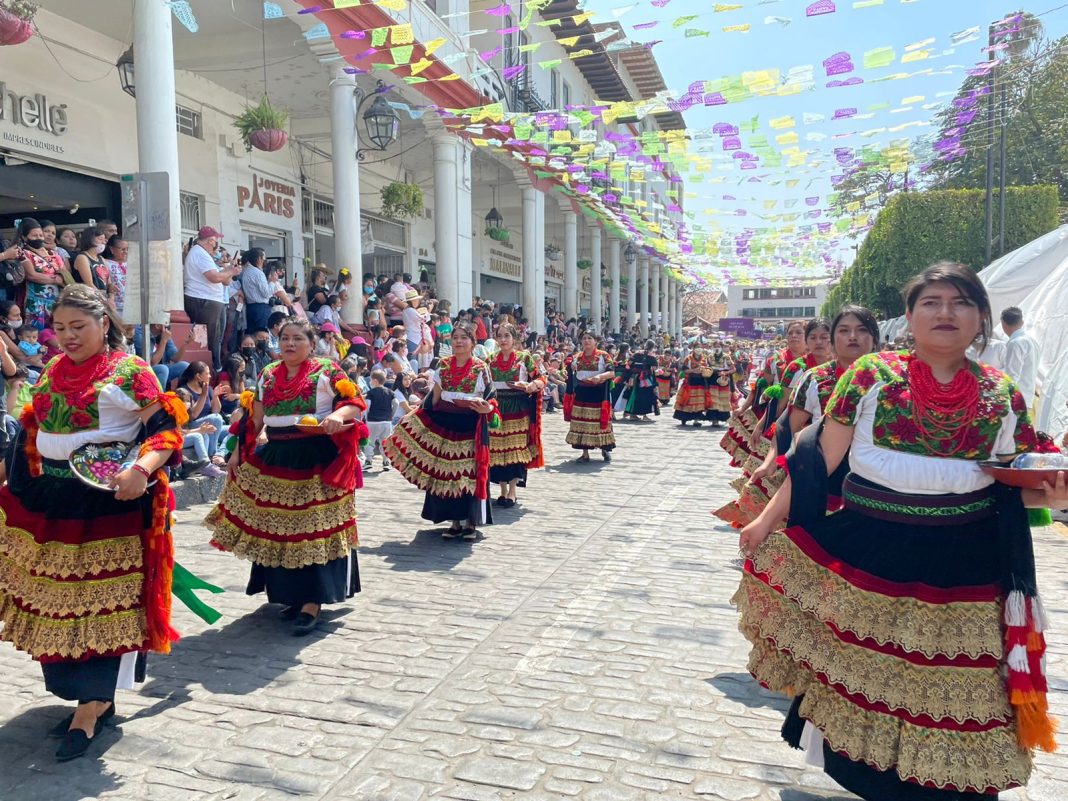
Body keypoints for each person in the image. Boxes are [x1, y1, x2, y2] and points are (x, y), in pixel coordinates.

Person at [736, 263, 1067, 801]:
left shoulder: (1002, 394)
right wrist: (764, 520)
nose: (945, 313)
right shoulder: (870, 376)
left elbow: (1016, 486)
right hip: (871, 557)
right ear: (909, 318)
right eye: (931, 302)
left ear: (981, 317)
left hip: (967, 569)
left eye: (961, 302)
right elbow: (819, 460)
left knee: (959, 695)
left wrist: (1053, 493)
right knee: (868, 683)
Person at [0, 284, 185, 761]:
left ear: (104, 323)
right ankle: (83, 696)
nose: (68, 336)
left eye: (78, 326)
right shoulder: (53, 370)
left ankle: (92, 705)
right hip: (50, 501)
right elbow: (31, 429)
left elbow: (165, 430)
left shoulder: (130, 371)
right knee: (56, 602)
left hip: (106, 504)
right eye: (60, 327)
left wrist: (141, 469)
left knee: (102, 604)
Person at [206, 318, 366, 636]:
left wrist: (336, 415)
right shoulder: (268, 374)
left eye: (297, 338)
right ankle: (290, 595)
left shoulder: (327, 370)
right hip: (277, 456)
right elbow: (255, 419)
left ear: (311, 344)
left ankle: (312, 601)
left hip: (315, 456)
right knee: (277, 527)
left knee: (313, 529)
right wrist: (237, 451)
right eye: (284, 338)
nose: (290, 344)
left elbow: (354, 402)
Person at [384, 321, 498, 540]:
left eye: (464, 337)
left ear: (473, 342)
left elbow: (491, 398)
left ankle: (471, 522)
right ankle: (454, 522)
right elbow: (433, 398)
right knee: (448, 473)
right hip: (445, 426)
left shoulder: (481, 367)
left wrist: (488, 408)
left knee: (468, 474)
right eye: (455, 338)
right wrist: (413, 418)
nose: (459, 341)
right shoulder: (443, 366)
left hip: (470, 426)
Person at [487, 323, 545, 507]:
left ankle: (512, 491)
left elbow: (541, 378)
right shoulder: (490, 360)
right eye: (500, 336)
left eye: (507, 336)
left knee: (514, 449)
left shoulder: (524, 358)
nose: (503, 340)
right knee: (497, 450)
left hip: (518, 409)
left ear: (514, 338)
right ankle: (502, 490)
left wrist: (529, 386)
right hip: (497, 408)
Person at [183, 227, 239, 372]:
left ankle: (214, 366)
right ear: (210, 241)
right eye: (215, 241)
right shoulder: (200, 253)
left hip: (210, 301)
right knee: (210, 339)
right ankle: (212, 367)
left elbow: (225, 281)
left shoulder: (203, 254)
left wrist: (229, 270)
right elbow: (214, 277)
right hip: (203, 300)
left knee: (216, 338)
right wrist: (231, 271)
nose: (216, 245)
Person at [563, 332, 615, 463]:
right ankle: (585, 453)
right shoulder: (576, 357)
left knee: (599, 421)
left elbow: (611, 372)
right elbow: (569, 371)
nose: (586, 341)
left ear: (595, 341)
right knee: (582, 422)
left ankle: (604, 448)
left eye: (589, 338)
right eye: (584, 338)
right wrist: (569, 368)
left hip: (599, 392)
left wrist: (600, 376)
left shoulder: (603, 355)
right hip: (582, 391)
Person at [17, 218, 66, 330]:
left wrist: (60, 278)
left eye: (40, 235)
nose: (38, 238)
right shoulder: (24, 253)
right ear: (24, 237)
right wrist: (55, 279)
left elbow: (64, 273)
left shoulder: (53, 254)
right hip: (36, 302)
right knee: (37, 332)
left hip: (56, 300)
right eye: (34, 236)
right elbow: (32, 275)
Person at [178, 362, 226, 461]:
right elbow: (193, 415)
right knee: (216, 418)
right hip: (193, 426)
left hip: (211, 427)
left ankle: (220, 454)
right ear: (198, 376)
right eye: (207, 373)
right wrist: (203, 395)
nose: (210, 376)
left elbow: (216, 410)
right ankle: (213, 454)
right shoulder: (184, 391)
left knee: (235, 429)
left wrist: (215, 396)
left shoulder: (208, 389)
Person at [1000, 306, 1040, 413]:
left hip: (1016, 402)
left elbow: (1011, 376)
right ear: (1022, 322)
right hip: (1027, 398)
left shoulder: (1016, 343)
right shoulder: (1033, 341)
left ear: (1003, 323)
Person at [362, 369, 395, 471]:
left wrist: (366, 417)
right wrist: (391, 415)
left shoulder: (371, 393)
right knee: (384, 442)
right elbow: (396, 403)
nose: (371, 382)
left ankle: (368, 461)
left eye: (371, 380)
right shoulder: (390, 392)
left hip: (373, 421)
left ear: (375, 381)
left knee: (369, 441)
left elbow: (367, 405)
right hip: (387, 421)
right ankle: (386, 461)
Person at [673, 347, 713, 427]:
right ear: (693, 349)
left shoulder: (704, 359)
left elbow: (707, 368)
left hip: (700, 382)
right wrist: (694, 370)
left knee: (699, 401)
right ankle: (684, 418)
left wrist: (704, 370)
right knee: (687, 400)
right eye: (697, 348)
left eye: (700, 348)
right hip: (690, 381)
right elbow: (684, 370)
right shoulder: (688, 358)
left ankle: (696, 420)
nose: (699, 350)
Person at [621, 340, 659, 422]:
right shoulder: (651, 356)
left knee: (634, 395)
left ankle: (632, 414)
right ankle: (644, 415)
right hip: (645, 379)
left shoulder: (637, 353)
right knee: (646, 396)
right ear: (653, 347)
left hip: (634, 377)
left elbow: (629, 363)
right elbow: (654, 368)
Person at [240, 248, 272, 333]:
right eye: (264, 258)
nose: (265, 261)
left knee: (251, 334)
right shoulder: (258, 273)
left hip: (250, 306)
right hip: (261, 307)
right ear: (258, 259)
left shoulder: (246, 272)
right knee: (262, 333)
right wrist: (272, 282)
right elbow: (266, 293)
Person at [71, 226, 110, 293]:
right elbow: (89, 284)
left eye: (104, 239)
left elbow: (109, 283)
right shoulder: (82, 258)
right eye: (100, 239)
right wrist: (103, 297)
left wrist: (111, 294)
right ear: (89, 239)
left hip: (102, 296)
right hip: (90, 297)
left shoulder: (101, 259)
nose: (103, 242)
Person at [102, 236, 129, 316]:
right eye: (123, 249)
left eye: (127, 249)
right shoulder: (106, 263)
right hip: (115, 307)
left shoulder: (132, 262)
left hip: (132, 305)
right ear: (112, 249)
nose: (126, 252)